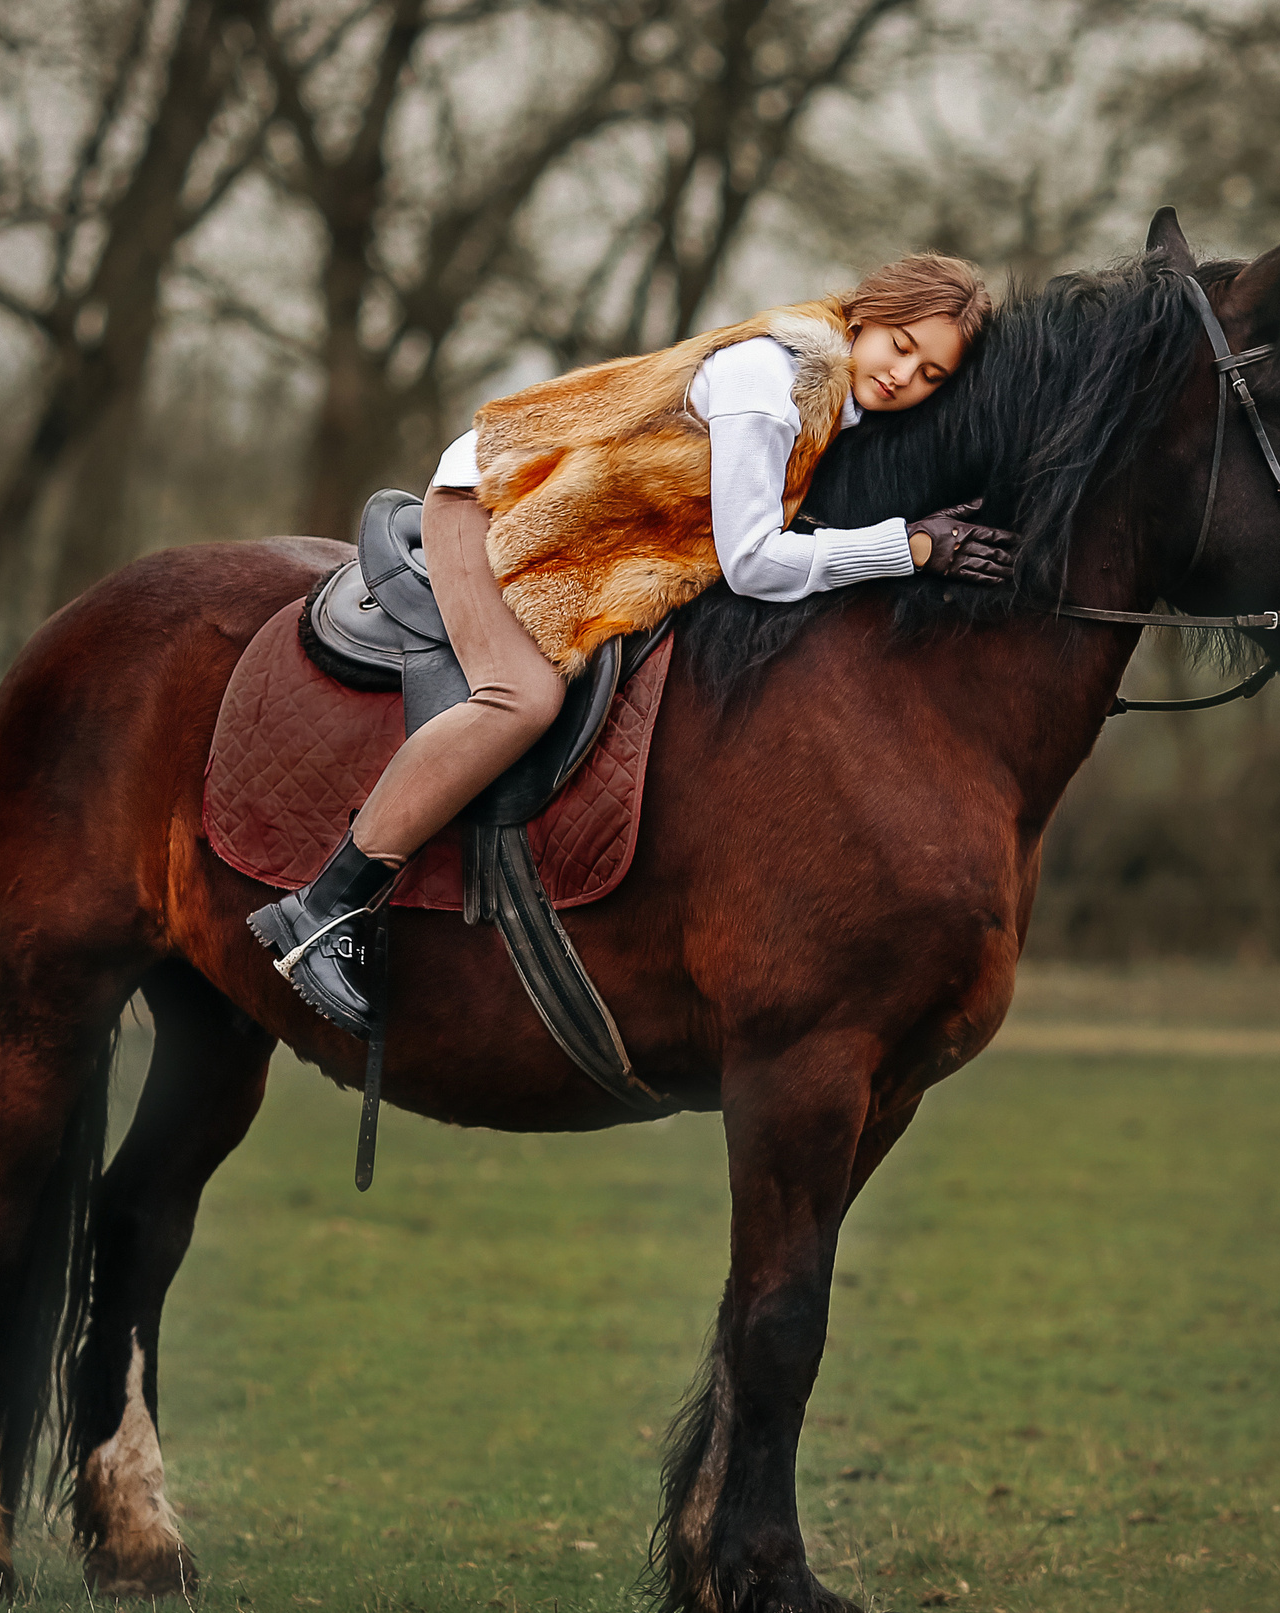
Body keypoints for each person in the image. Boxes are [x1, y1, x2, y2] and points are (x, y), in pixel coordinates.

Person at [250, 253, 1020, 1034]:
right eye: (900, 344)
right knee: (520, 697)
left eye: (930, 373)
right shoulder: (771, 387)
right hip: (492, 504)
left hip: (586, 539)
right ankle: (321, 907)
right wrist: (908, 548)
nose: (904, 376)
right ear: (866, 317)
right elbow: (751, 561)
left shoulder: (838, 410)